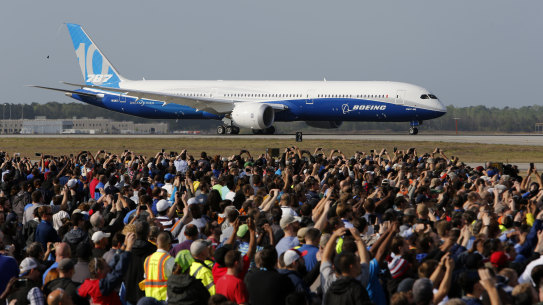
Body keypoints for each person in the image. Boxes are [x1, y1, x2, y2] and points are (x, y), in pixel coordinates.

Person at [78, 232, 136, 305]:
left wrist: (124, 245)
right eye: (107, 267)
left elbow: (112, 263)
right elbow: (119, 271)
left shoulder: (85, 285)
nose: (109, 268)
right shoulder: (102, 286)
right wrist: (128, 248)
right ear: (99, 271)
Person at [143, 231, 175, 301]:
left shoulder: (148, 259)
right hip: (163, 300)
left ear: (156, 244)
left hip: (148, 299)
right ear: (169, 244)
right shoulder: (170, 260)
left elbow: (145, 277)